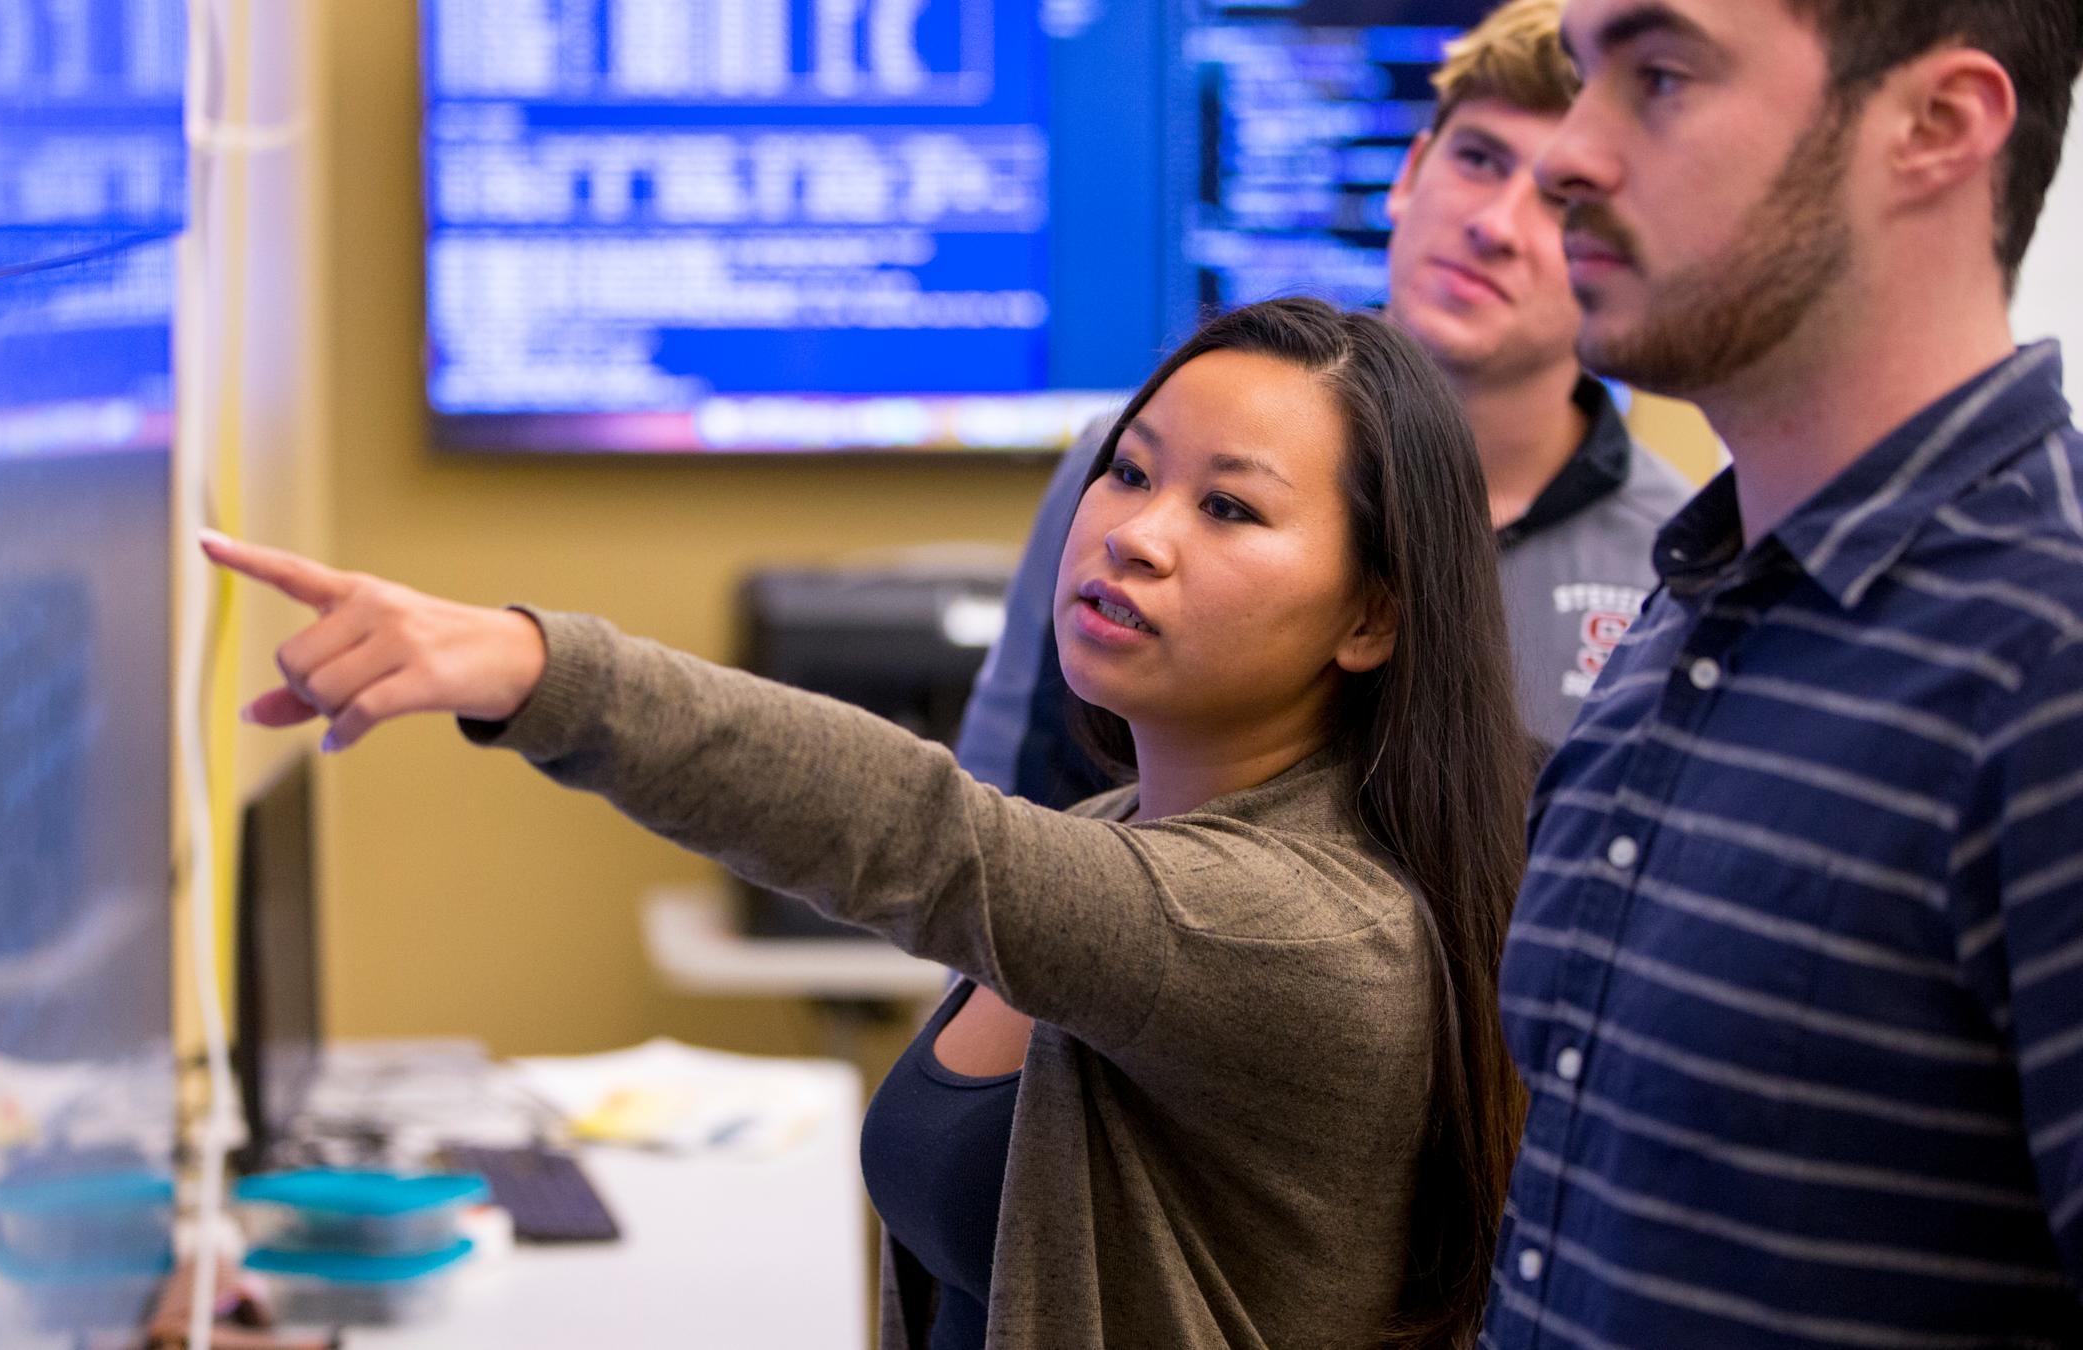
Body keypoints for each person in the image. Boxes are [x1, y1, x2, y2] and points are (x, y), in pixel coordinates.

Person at [206, 297, 1538, 1349]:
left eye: (1229, 506)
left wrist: (537, 668)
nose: (1134, 533)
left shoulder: (1305, 927)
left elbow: (915, 828)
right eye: (1129, 472)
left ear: (1374, 615)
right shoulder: (1131, 823)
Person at [1483, 0, 2083, 1344]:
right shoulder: (1689, 609)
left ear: (1936, 128)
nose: (1566, 154)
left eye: (1663, 77)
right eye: (1586, 78)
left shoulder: (2050, 668)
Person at [956, 0, 1693, 810]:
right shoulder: (1137, 462)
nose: (1495, 225)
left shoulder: (1679, 557)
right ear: (1409, 174)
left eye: (1560, 200)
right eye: (1479, 159)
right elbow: (1005, 833)